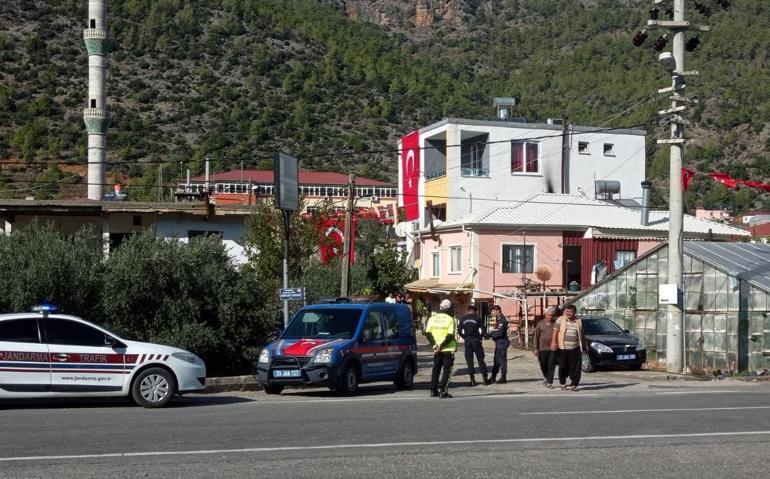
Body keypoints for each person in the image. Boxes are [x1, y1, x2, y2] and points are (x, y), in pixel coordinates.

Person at [425, 298, 457, 398]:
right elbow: (450, 335)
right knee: (447, 370)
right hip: (447, 348)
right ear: (449, 308)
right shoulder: (451, 319)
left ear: (440, 307)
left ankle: (433, 390)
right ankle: (443, 391)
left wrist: (435, 345)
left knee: (436, 369)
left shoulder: (432, 318)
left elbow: (428, 333)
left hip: (436, 349)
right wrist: (441, 346)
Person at [550, 304, 586, 391]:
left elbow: (582, 334)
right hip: (563, 348)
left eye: (570, 312)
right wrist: (554, 342)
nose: (568, 314)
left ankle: (574, 383)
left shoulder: (578, 321)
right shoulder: (560, 320)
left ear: (574, 313)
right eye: (567, 312)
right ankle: (563, 383)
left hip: (575, 348)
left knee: (575, 367)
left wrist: (584, 346)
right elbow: (555, 331)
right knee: (563, 366)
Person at [458, 304, 491, 386]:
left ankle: (472, 380)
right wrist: (480, 337)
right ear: (475, 311)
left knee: (469, 361)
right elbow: (483, 331)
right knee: (480, 360)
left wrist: (465, 337)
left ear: (467, 311)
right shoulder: (478, 319)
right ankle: (485, 379)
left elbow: (459, 332)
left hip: (468, 341)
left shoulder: (463, 319)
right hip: (476, 340)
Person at [533, 306, 559, 388]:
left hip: (552, 348)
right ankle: (546, 377)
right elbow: (536, 337)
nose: (550, 317)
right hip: (542, 348)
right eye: (549, 315)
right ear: (545, 315)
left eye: (552, 315)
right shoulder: (540, 324)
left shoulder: (556, 324)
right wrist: (535, 348)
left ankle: (549, 382)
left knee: (551, 365)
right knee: (543, 364)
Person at [488, 304, 509, 384]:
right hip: (498, 343)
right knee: (496, 361)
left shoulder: (502, 320)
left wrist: (490, 334)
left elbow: (499, 333)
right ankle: (493, 377)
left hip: (502, 342)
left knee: (502, 360)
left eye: (493, 311)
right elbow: (492, 329)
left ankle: (503, 378)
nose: (492, 313)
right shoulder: (496, 319)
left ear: (498, 311)